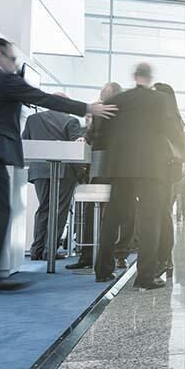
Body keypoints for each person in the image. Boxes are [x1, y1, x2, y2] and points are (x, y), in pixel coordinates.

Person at [0, 37, 116, 291]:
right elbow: (44, 98)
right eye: (12, 58)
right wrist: (87, 107)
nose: (15, 64)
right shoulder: (1, 79)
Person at [88, 62, 185, 290]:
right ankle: (145, 276)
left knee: (112, 218)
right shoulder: (160, 101)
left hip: (120, 168)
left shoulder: (118, 100)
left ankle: (102, 270)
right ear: (150, 78)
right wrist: (184, 150)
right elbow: (174, 133)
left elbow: (98, 133)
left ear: (134, 77)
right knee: (150, 220)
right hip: (152, 169)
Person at [22, 93, 86, 262]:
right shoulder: (70, 121)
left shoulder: (32, 119)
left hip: (39, 171)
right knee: (58, 210)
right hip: (63, 173)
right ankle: (50, 250)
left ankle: (37, 249)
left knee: (43, 208)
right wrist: (81, 174)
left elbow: (25, 143)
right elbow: (76, 149)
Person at [69, 81, 124, 271]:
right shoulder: (122, 113)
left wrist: (87, 137)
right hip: (114, 169)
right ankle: (107, 256)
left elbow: (93, 135)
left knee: (96, 211)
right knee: (107, 212)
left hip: (103, 167)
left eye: (103, 94)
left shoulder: (103, 112)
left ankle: (90, 256)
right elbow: (92, 134)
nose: (100, 97)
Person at [152, 81, 185, 279]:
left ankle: (164, 259)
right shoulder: (174, 117)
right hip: (164, 173)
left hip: (162, 173)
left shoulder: (167, 118)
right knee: (162, 215)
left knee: (162, 215)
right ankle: (165, 260)